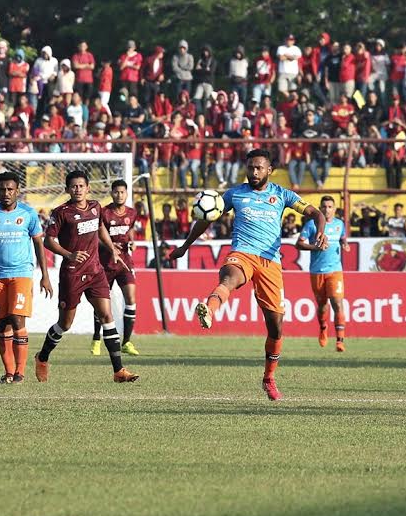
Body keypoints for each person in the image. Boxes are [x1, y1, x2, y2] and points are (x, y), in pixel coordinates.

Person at [169, 149, 327, 401]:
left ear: (269, 170)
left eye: (259, 168)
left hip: (270, 263)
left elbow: (315, 213)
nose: (253, 172)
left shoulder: (282, 194)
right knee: (228, 279)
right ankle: (209, 310)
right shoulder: (234, 194)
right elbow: (207, 219)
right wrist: (185, 246)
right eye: (250, 168)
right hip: (242, 253)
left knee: (276, 328)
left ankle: (269, 378)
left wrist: (320, 230)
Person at [34, 171, 140, 383]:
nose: (78, 189)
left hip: (95, 271)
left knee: (107, 317)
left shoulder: (95, 207)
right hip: (72, 274)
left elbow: (101, 227)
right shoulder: (61, 212)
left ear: (88, 188)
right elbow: (48, 241)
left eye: (81, 186)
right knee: (65, 324)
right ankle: (42, 356)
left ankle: (118, 371)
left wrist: (112, 250)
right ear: (67, 189)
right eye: (73, 186)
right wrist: (69, 254)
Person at [0, 171, 53, 383]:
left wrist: (45, 275)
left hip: (22, 274)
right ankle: (8, 373)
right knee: (3, 324)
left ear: (17, 190)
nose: (6, 193)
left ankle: (20, 373)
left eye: (10, 189)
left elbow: (38, 244)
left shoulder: (28, 213)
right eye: (2, 189)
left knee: (18, 319)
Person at [91, 179, 140, 357]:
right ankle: (97, 338)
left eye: (122, 192)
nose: (120, 195)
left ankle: (126, 341)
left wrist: (132, 242)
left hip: (125, 262)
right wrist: (110, 248)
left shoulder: (133, 213)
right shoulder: (104, 212)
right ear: (112, 193)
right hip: (105, 264)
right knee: (101, 303)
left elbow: (130, 230)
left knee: (131, 299)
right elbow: (96, 237)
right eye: (116, 192)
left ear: (127, 194)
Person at [297, 196, 349, 351]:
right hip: (317, 271)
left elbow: (342, 238)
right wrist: (315, 247)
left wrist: (345, 244)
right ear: (320, 208)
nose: (327, 209)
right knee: (322, 306)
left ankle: (340, 341)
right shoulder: (312, 225)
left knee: (337, 303)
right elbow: (298, 244)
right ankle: (323, 327)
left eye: (330, 206)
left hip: (335, 270)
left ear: (334, 208)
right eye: (324, 207)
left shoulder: (340, 224)